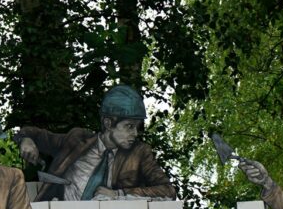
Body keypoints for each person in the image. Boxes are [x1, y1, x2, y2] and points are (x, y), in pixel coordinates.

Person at [15, 85, 176, 201]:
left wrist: (119, 194)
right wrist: (26, 140)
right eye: (129, 126)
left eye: (136, 127)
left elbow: (168, 190)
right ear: (108, 123)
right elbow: (33, 134)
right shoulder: (76, 140)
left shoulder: (139, 153)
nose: (135, 133)